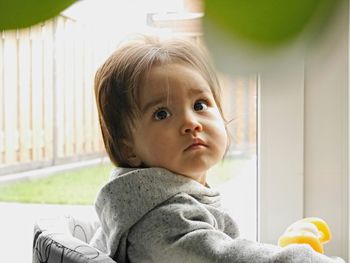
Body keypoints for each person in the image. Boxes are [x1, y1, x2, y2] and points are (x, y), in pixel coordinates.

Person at [90, 35, 345, 263]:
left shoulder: (163, 200)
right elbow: (223, 258)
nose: (191, 122)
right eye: (162, 113)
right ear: (129, 149)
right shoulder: (162, 219)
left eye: (200, 105)